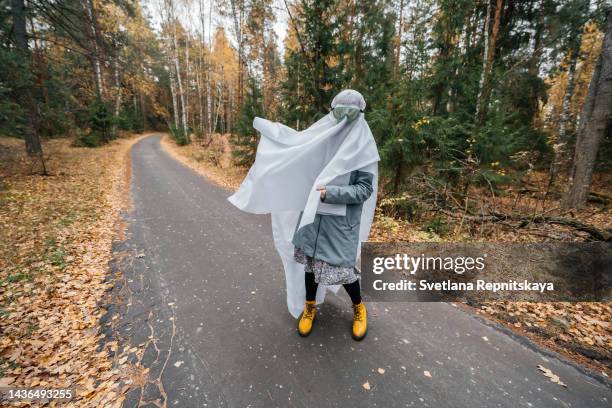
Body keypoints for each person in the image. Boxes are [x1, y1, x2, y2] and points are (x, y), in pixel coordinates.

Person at [228, 89, 379, 341]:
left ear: (359, 116)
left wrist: (331, 192)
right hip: (312, 217)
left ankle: (358, 309)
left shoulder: (363, 146)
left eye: (348, 115)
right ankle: (309, 307)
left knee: (343, 270)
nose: (342, 121)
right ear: (332, 113)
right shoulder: (321, 137)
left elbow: (364, 189)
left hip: (341, 224)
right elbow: (296, 149)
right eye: (338, 114)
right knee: (310, 266)